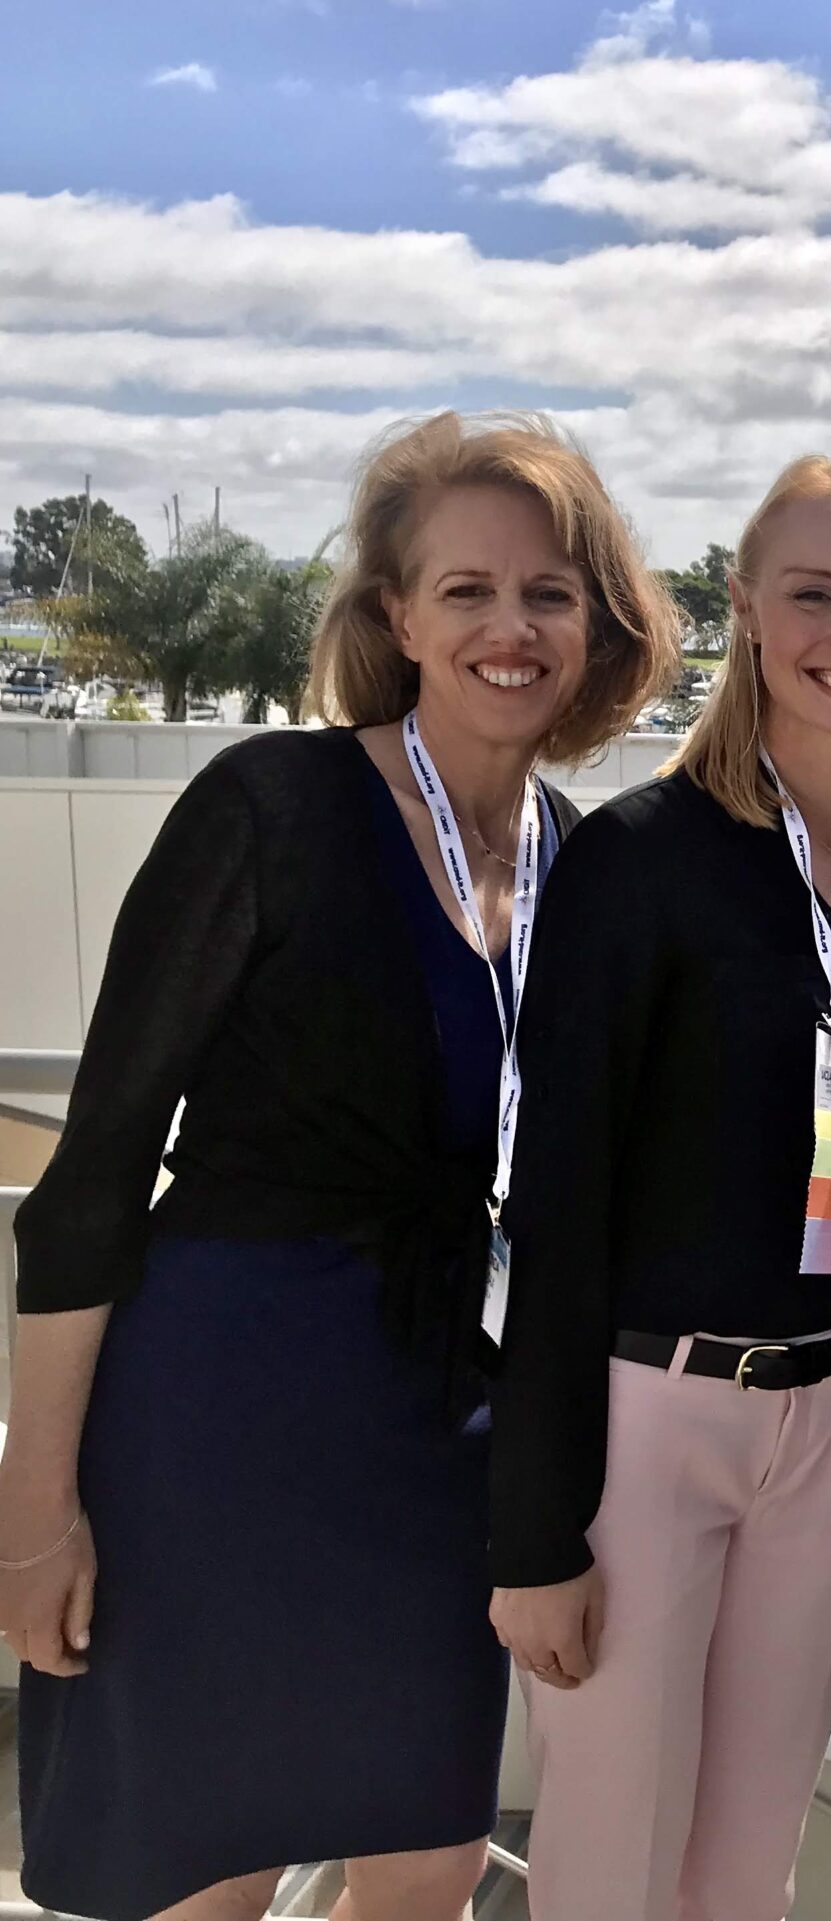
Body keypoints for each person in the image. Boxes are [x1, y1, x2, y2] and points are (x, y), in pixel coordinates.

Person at [1, 412, 677, 1920]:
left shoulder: (582, 859)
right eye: (468, 591)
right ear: (396, 617)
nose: (512, 627)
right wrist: (35, 1512)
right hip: (222, 1417)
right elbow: (93, 1177)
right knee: (215, 1863)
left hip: (448, 1424)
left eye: (551, 593)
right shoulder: (274, 810)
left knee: (429, 1854)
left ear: (599, 625)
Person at [487, 454, 831, 1921]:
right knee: (612, 1859)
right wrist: (534, 1535)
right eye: (817, 595)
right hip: (650, 1417)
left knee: (749, 1857)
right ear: (747, 611)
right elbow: (557, 1202)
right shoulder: (639, 860)